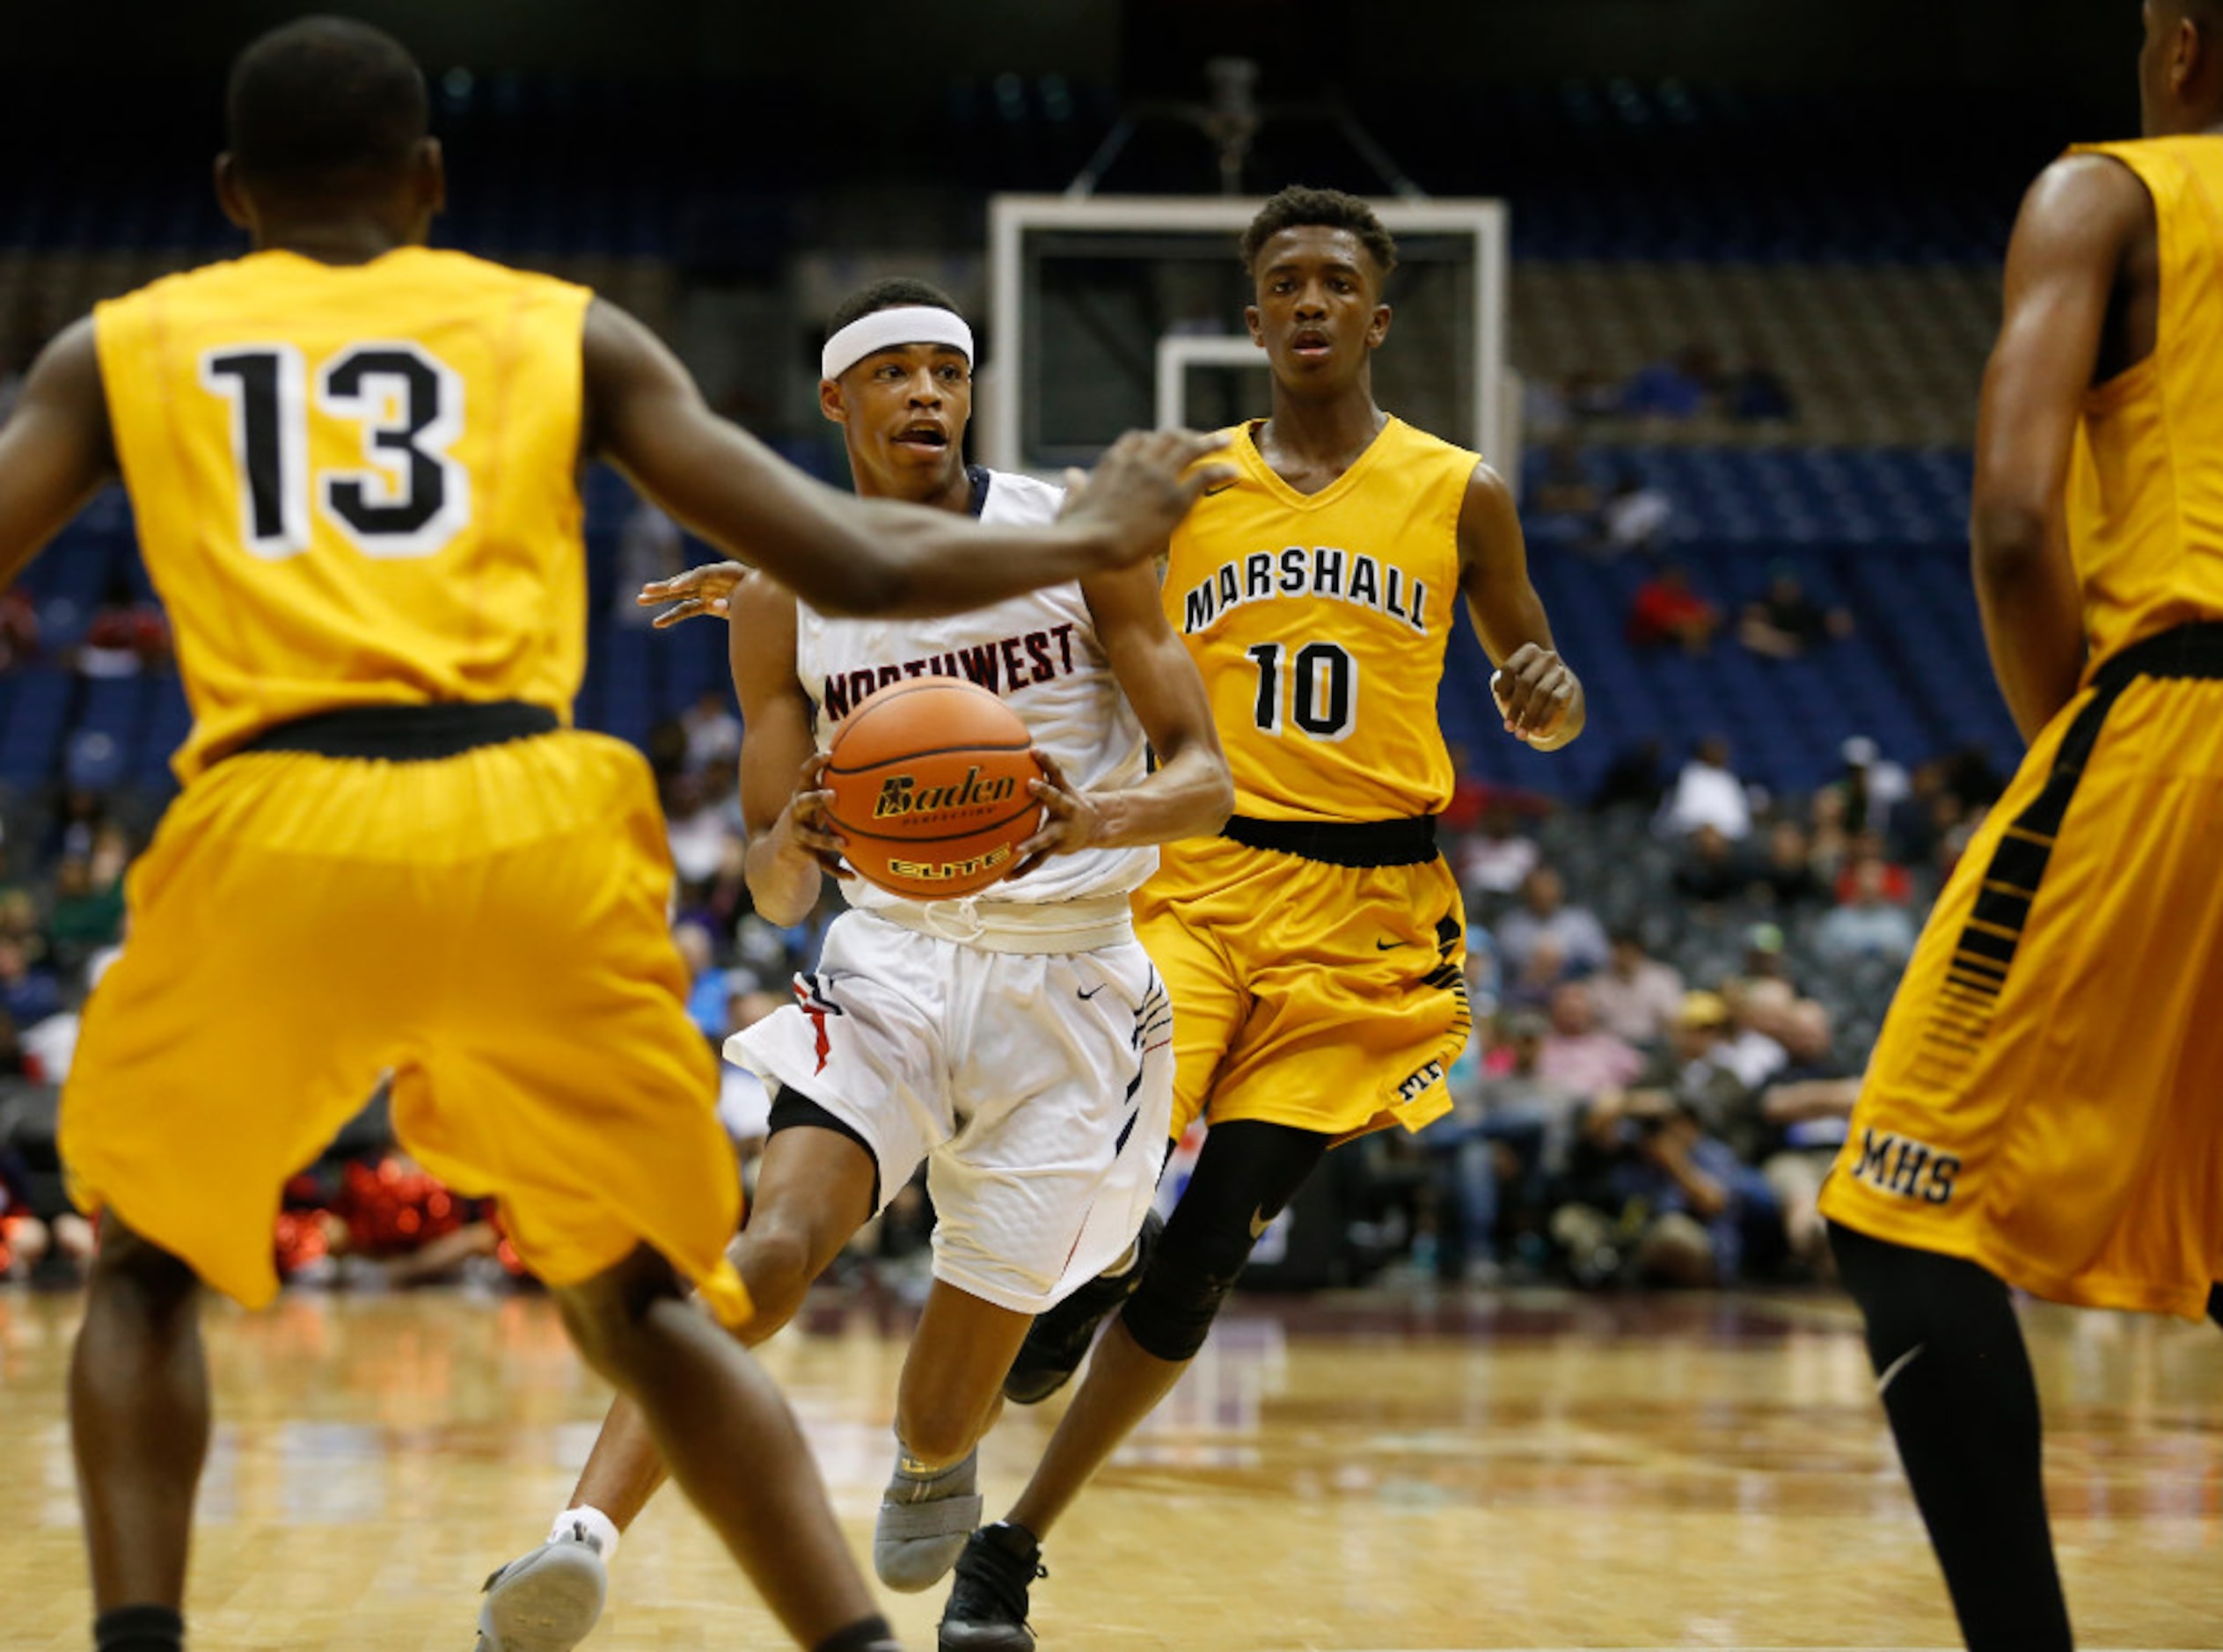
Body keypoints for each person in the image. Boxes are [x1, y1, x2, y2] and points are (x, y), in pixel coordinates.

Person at [0, 22, 1223, 1652]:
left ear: (229, 193)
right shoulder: (557, 332)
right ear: (432, 183)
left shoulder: (122, 346)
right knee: (669, 1289)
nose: (925, 395)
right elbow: (844, 563)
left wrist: (1070, 548)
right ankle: (764, 1605)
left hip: (273, 809)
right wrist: (1095, 526)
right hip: (529, 817)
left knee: (147, 1270)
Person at [472, 278, 1232, 1648]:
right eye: (895, 372)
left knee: (948, 1412)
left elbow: (1206, 779)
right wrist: (795, 837)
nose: (928, 392)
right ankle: (571, 1541)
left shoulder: (1074, 532)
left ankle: (938, 1452)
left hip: (1072, 983)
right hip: (890, 965)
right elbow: (771, 882)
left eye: (949, 369)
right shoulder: (780, 596)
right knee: (769, 1248)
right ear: (838, 399)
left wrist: (1093, 813)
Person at [935, 185, 1585, 1651]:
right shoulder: (1182, 482)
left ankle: (1010, 1547)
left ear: (1378, 314)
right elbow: (1012, 578)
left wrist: (1548, 697)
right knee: (1114, 1140)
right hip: (1203, 883)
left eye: (1333, 280)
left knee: (1214, 1238)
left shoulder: (1463, 489)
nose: (1307, 299)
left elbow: (1538, 672)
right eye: (1282, 279)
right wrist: (802, 597)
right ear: (1250, 319)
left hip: (1367, 913)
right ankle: (1079, 1268)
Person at [1818, 10, 2223, 1648]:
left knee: (1898, 1207)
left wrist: (2079, 725)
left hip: (2181, 718)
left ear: (2181, 45)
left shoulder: (2111, 189)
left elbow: (2009, 518)